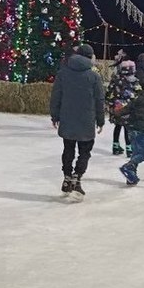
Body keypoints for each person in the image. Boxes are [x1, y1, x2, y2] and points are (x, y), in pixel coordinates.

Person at [50, 44, 105, 201]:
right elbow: (100, 99)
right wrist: (100, 120)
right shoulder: (94, 76)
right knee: (85, 151)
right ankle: (77, 178)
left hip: (67, 118)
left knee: (68, 148)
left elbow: (56, 96)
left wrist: (55, 116)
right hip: (87, 119)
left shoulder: (63, 73)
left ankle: (67, 177)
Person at [106, 60, 142, 157]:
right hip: (128, 108)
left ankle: (115, 146)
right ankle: (129, 149)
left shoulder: (115, 79)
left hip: (117, 107)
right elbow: (138, 94)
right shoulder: (134, 81)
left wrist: (110, 104)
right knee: (128, 128)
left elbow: (109, 92)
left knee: (117, 126)